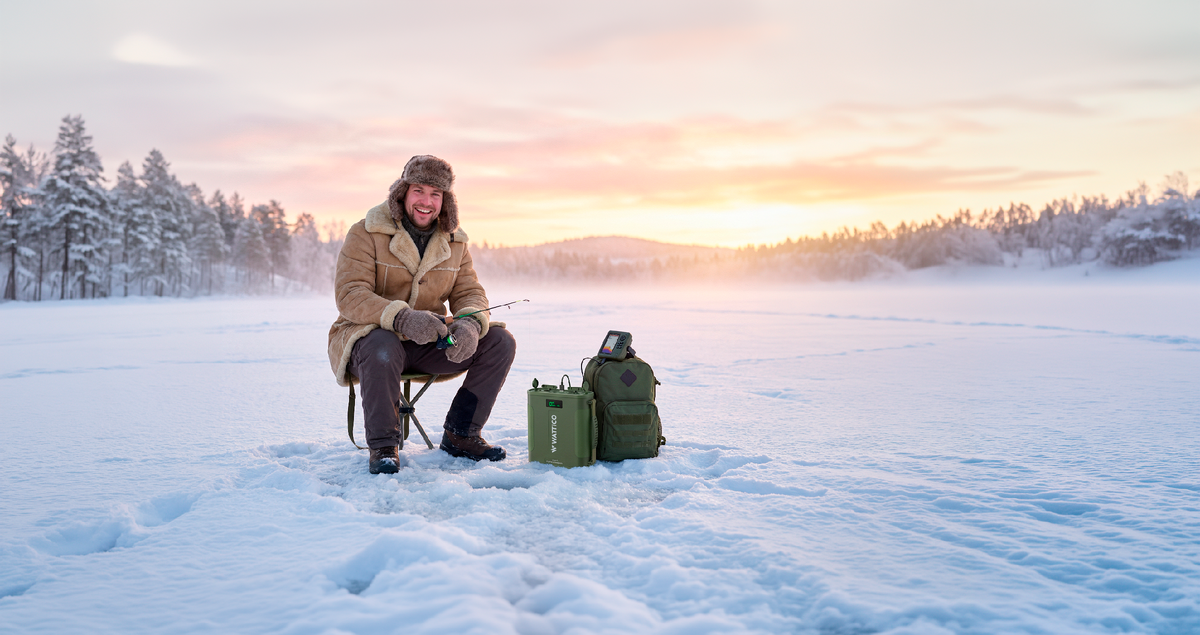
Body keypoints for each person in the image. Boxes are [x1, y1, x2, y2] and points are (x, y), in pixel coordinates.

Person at [327, 155, 516, 474]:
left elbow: (469, 291)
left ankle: (461, 434)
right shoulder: (366, 232)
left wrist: (470, 324)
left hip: (429, 342)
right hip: (369, 343)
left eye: (435, 194)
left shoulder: (456, 241)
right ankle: (384, 447)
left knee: (499, 340)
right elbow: (350, 294)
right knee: (383, 345)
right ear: (402, 192)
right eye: (419, 191)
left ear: (445, 200)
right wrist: (401, 318)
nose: (426, 202)